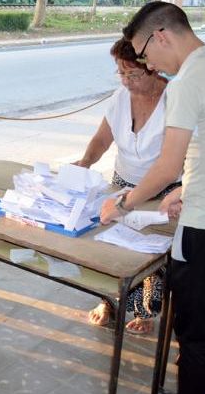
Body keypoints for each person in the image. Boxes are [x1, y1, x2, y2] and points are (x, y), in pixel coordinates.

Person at [100, 1, 205, 394]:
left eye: (143, 54)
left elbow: (167, 165)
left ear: (161, 36)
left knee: (195, 341)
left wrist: (122, 203)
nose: (149, 64)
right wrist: (186, 190)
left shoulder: (189, 80)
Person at [74, 38, 180, 335]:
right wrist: (85, 162)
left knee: (150, 254)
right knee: (112, 245)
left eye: (132, 74)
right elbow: (101, 139)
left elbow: (176, 158)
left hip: (161, 189)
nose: (126, 80)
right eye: (120, 73)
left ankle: (146, 311)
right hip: (122, 182)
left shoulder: (175, 100)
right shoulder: (120, 97)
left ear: (153, 68)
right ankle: (109, 301)